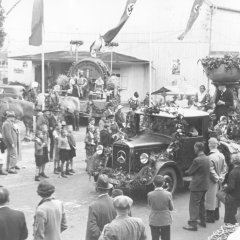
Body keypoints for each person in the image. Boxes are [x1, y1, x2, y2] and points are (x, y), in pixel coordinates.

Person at [183, 142, 210, 231]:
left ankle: (193, 224)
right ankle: (203, 221)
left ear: (198, 148)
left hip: (197, 186)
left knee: (194, 205)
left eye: (195, 148)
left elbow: (190, 171)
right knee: (201, 203)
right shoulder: (207, 158)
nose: (194, 149)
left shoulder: (197, 160)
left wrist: (184, 172)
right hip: (205, 185)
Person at [85, 174, 116, 240]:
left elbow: (92, 230)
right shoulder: (115, 202)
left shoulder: (93, 206)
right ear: (108, 189)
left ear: (97, 189)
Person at [205, 137, 228, 223]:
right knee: (217, 199)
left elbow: (210, 170)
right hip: (220, 181)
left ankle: (210, 218)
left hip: (212, 181)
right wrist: (221, 177)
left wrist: (216, 178)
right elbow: (225, 168)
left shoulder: (210, 157)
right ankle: (216, 216)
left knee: (210, 199)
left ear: (210, 145)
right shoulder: (221, 155)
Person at [148, 175, 174, 240]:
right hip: (165, 220)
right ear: (164, 183)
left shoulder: (150, 194)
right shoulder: (168, 194)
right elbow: (171, 208)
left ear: (153, 183)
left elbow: (150, 206)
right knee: (166, 238)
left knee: (155, 238)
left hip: (154, 219)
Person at [224, 153, 240, 224]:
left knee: (230, 218)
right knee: (236, 216)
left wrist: (225, 188)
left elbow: (231, 186)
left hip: (233, 197)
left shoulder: (233, 172)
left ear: (233, 161)